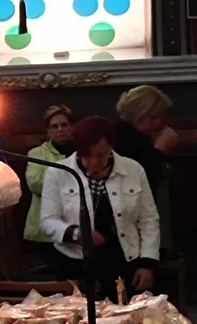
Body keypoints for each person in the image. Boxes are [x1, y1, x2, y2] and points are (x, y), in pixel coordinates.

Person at [40, 116, 159, 301]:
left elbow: (148, 219)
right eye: (87, 156)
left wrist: (147, 263)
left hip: (124, 259)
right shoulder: (58, 172)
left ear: (111, 147)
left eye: (101, 155)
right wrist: (77, 233)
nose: (94, 162)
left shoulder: (133, 169)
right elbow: (48, 221)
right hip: (75, 263)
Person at [23, 105, 75, 257]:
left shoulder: (82, 152)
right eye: (54, 126)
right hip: (43, 232)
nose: (60, 129)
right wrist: (69, 184)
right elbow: (35, 183)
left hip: (74, 228)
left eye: (64, 125)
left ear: (72, 127)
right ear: (48, 130)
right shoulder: (36, 153)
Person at [113, 85, 176, 198]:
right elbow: (140, 178)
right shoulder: (120, 138)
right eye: (153, 117)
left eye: (161, 117)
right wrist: (160, 149)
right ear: (136, 114)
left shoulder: (142, 136)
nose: (159, 122)